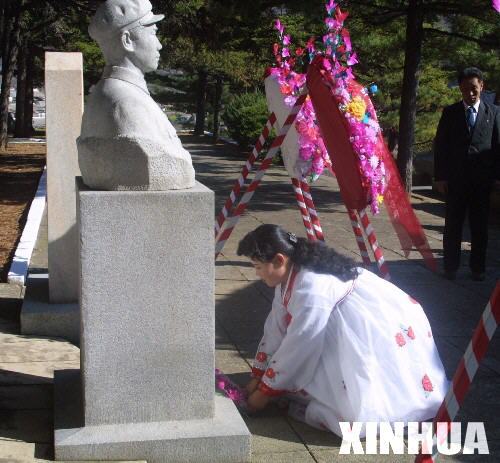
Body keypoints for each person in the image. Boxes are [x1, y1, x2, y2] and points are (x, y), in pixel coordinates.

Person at [237, 224, 448, 437]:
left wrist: (264, 391)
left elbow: (300, 342)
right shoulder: (290, 274)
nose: (257, 274)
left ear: (279, 260)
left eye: (258, 267)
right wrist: (258, 376)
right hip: (336, 319)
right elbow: (276, 326)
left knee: (355, 404)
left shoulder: (310, 286)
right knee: (309, 369)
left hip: (368, 322)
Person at [78, 0, 195, 191]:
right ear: (127, 41)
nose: (159, 45)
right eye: (153, 33)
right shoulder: (127, 105)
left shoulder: (107, 94)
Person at [434, 67, 500, 281]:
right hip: (455, 180)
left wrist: (496, 180)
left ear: (482, 86)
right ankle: (450, 267)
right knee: (453, 225)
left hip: (482, 182)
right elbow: (441, 146)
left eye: (473, 89)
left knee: (479, 226)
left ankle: (477, 268)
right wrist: (440, 177)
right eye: (465, 90)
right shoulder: (450, 113)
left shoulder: (494, 113)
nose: (470, 94)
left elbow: (497, 148)